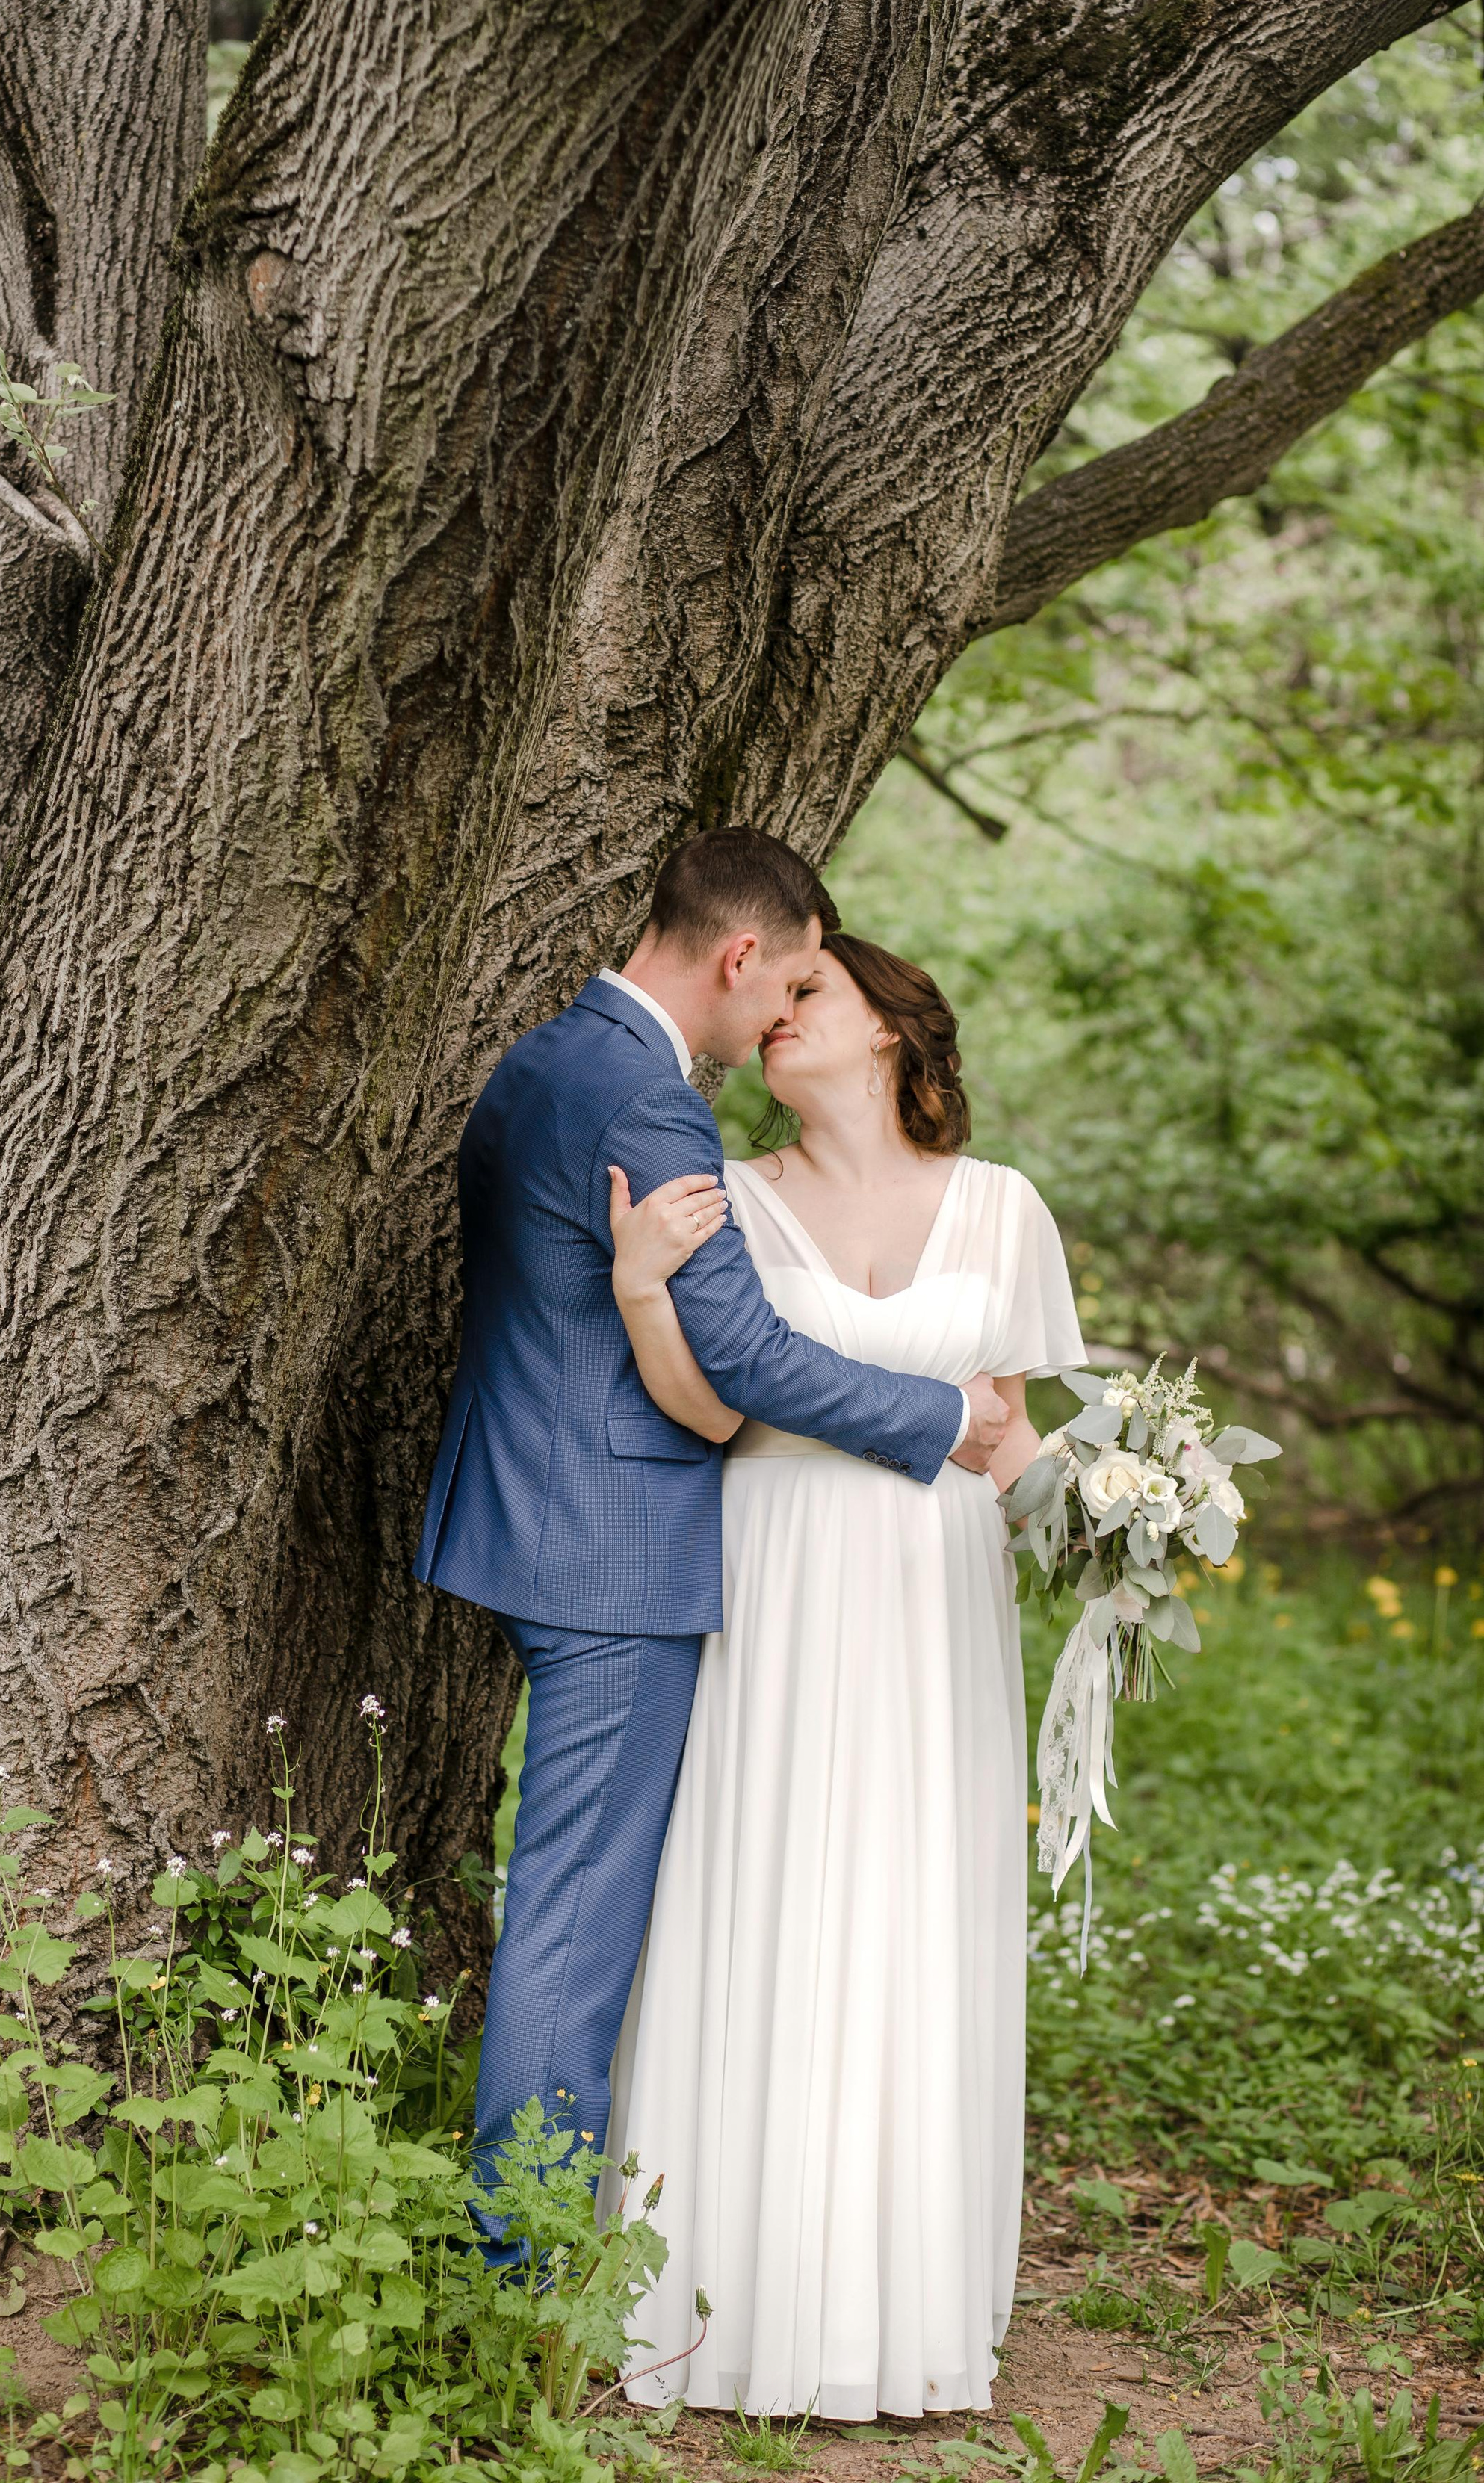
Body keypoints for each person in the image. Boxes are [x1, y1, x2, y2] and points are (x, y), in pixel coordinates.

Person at [412, 831, 1010, 2257]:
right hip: (611, 1548)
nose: (783, 1014)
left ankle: (532, 2244)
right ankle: (519, 2269)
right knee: (574, 1925)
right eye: (789, 982)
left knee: (568, 1903)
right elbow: (742, 1353)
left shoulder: (547, 1057)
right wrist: (941, 1417)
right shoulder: (652, 1105)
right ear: (740, 955)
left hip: (527, 1506)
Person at [601, 929, 1086, 2421]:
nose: (776, 1015)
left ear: (889, 1026)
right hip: (777, 1574)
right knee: (767, 1884)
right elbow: (707, 1412)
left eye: (810, 991)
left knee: (910, 1905)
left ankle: (893, 2312)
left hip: (936, 1598)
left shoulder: (1000, 1208)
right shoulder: (727, 1196)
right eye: (771, 995)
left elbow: (1007, 1433)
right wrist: (641, 1290)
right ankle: (723, 2304)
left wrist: (1122, 1517)